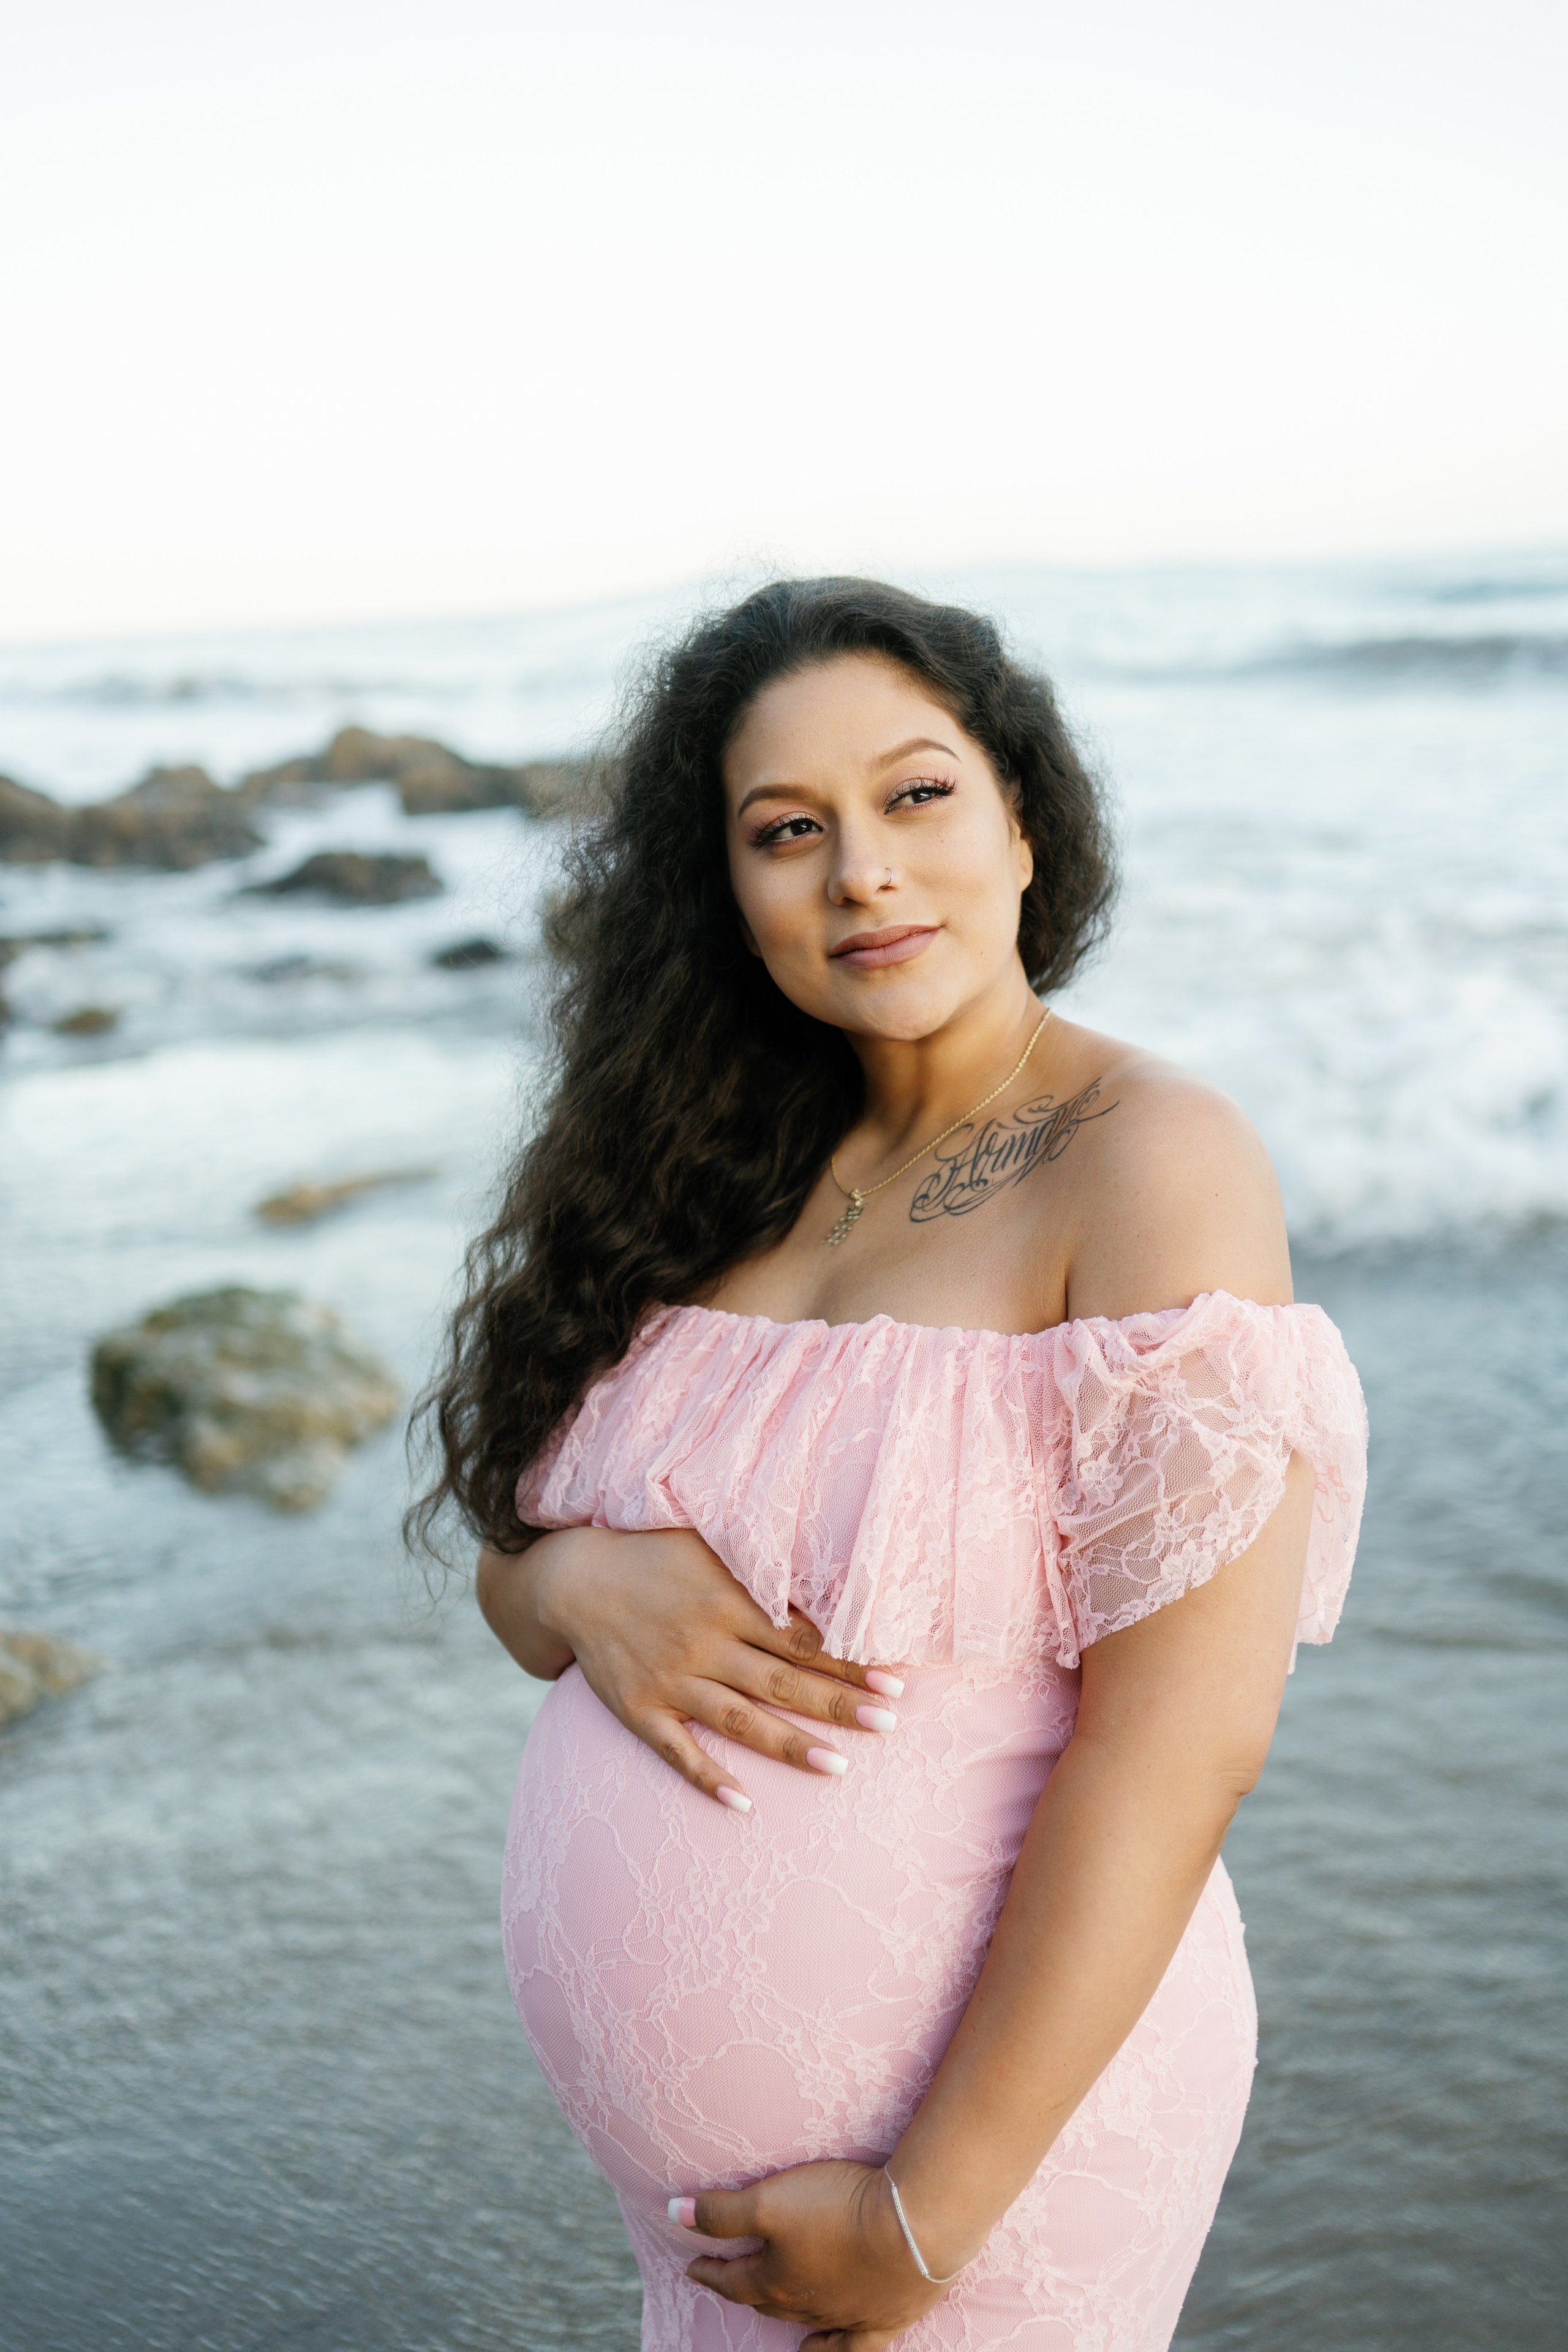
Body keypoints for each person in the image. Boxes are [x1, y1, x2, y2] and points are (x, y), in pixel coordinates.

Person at [412, 579, 1367, 2351]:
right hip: (707, 2223)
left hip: (979, 2170)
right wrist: (568, 1582)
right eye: (790, 830)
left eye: (917, 795)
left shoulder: (1148, 1160)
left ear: (1022, 818)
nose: (861, 871)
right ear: (731, 891)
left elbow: (1184, 1743)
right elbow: (515, 1563)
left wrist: (927, 2216)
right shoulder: (710, 1168)